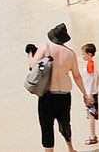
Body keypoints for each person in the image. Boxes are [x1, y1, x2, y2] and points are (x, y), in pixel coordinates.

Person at [36, 22, 79, 152]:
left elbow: (33, 66)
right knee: (65, 123)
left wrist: (30, 54)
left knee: (46, 126)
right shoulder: (71, 54)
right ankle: (71, 149)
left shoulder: (45, 48)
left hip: (47, 94)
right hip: (64, 95)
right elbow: (77, 76)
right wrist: (86, 94)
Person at [79, 41, 99, 146]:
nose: (82, 56)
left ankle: (93, 136)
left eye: (83, 54)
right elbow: (98, 77)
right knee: (90, 114)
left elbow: (92, 78)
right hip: (92, 92)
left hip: (90, 93)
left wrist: (90, 93)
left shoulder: (90, 64)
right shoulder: (92, 64)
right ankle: (93, 135)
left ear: (90, 54)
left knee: (90, 115)